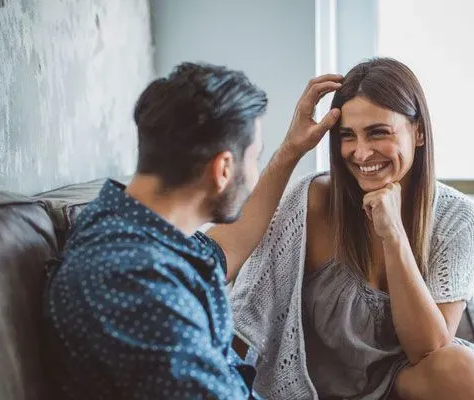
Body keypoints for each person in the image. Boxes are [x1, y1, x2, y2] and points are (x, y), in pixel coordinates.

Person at [43, 61, 342, 399]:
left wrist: (290, 151)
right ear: (223, 169)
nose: (254, 172)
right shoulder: (131, 282)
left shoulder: (130, 229)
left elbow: (225, 251)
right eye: (254, 158)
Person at [226, 57, 474, 399]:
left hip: (404, 387)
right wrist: (291, 149)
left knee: (461, 366)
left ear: (418, 133)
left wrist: (393, 235)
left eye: (378, 133)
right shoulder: (312, 201)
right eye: (348, 136)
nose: (361, 153)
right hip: (313, 391)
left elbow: (429, 349)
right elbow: (242, 308)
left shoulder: (457, 217)